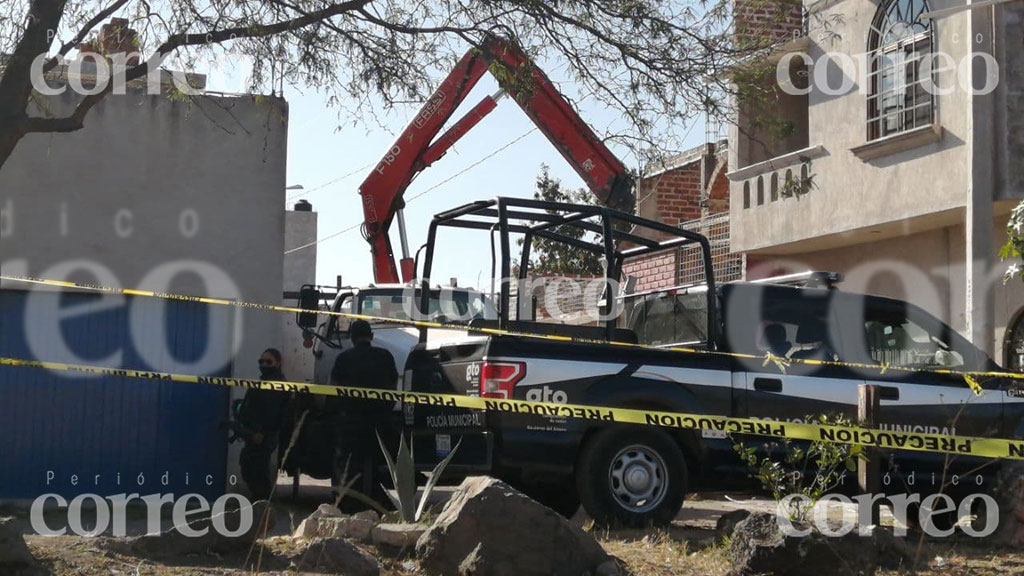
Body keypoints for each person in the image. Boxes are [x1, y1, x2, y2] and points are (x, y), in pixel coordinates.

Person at [328, 320, 399, 509]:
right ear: (372, 337)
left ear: (351, 338)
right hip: (381, 422)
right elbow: (393, 387)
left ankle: (345, 502)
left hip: (351, 422)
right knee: (383, 463)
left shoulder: (344, 358)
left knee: (345, 463)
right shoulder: (385, 356)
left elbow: (333, 389)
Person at [237, 348, 288, 500]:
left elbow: (275, 414)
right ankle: (260, 504)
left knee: (258, 472)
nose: (264, 364)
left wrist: (263, 433)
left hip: (263, 436)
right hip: (253, 433)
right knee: (249, 469)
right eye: (261, 361)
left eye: (268, 361)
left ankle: (263, 506)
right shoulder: (263, 383)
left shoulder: (278, 385)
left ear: (278, 363)